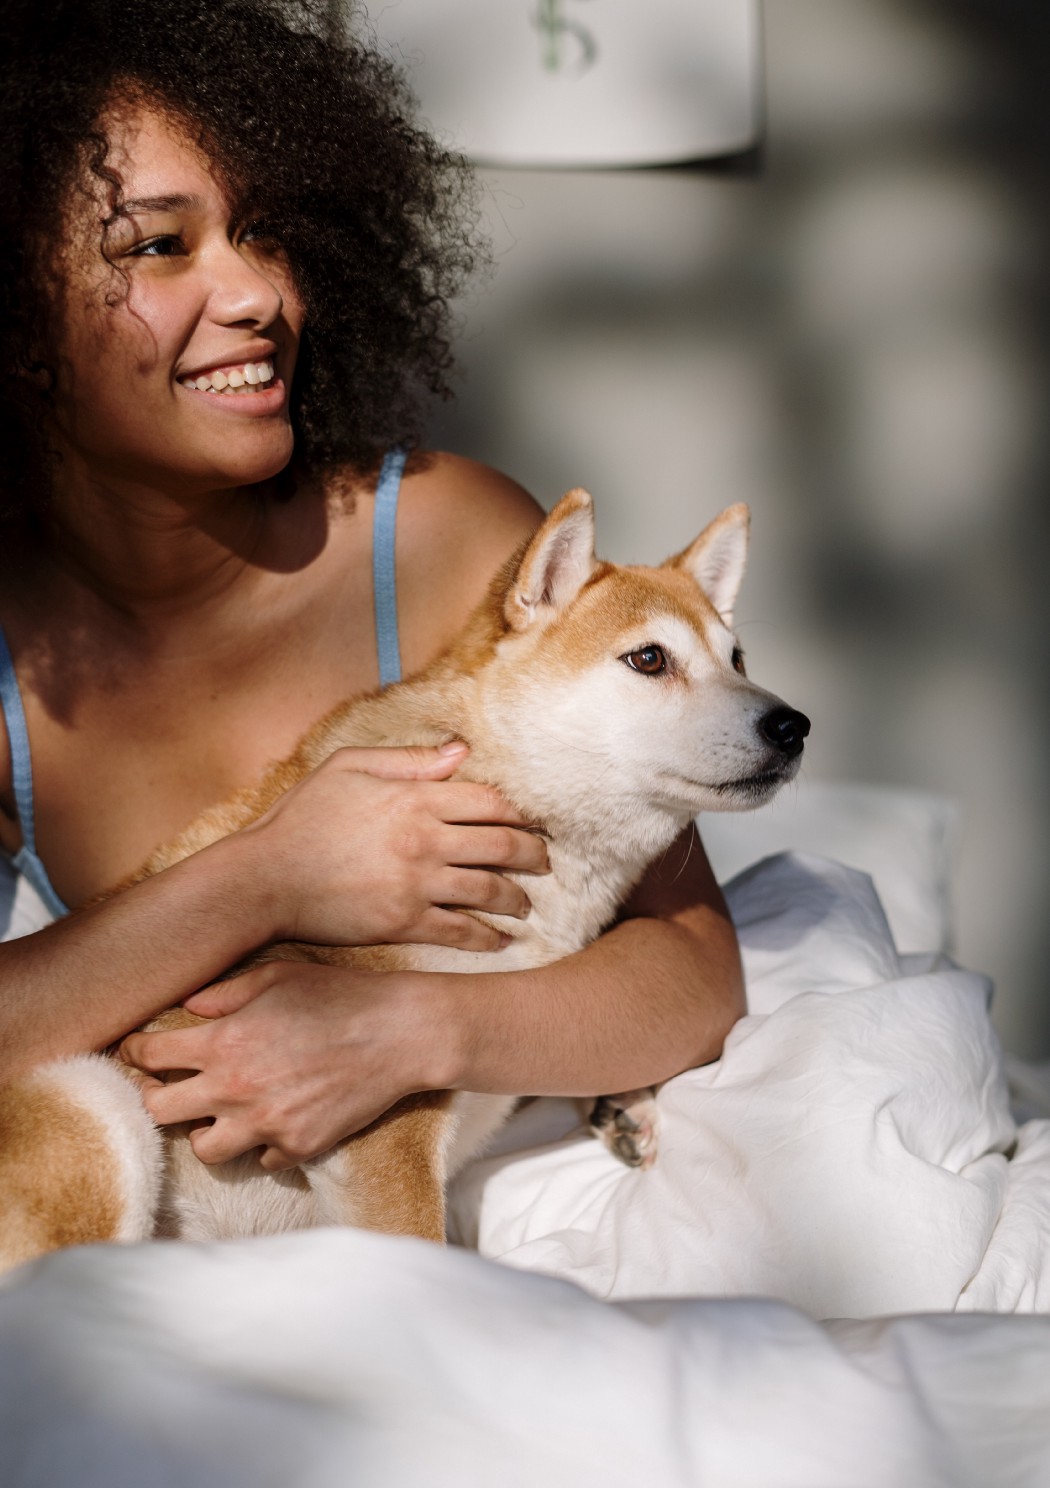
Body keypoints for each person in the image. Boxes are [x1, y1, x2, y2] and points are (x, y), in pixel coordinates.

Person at [0, 0, 744, 1178]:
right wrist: (269, 873)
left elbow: (696, 974)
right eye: (159, 245)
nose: (259, 297)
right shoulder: (11, 669)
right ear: (14, 320)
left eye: (267, 234)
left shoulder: (444, 541)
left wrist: (409, 1031)